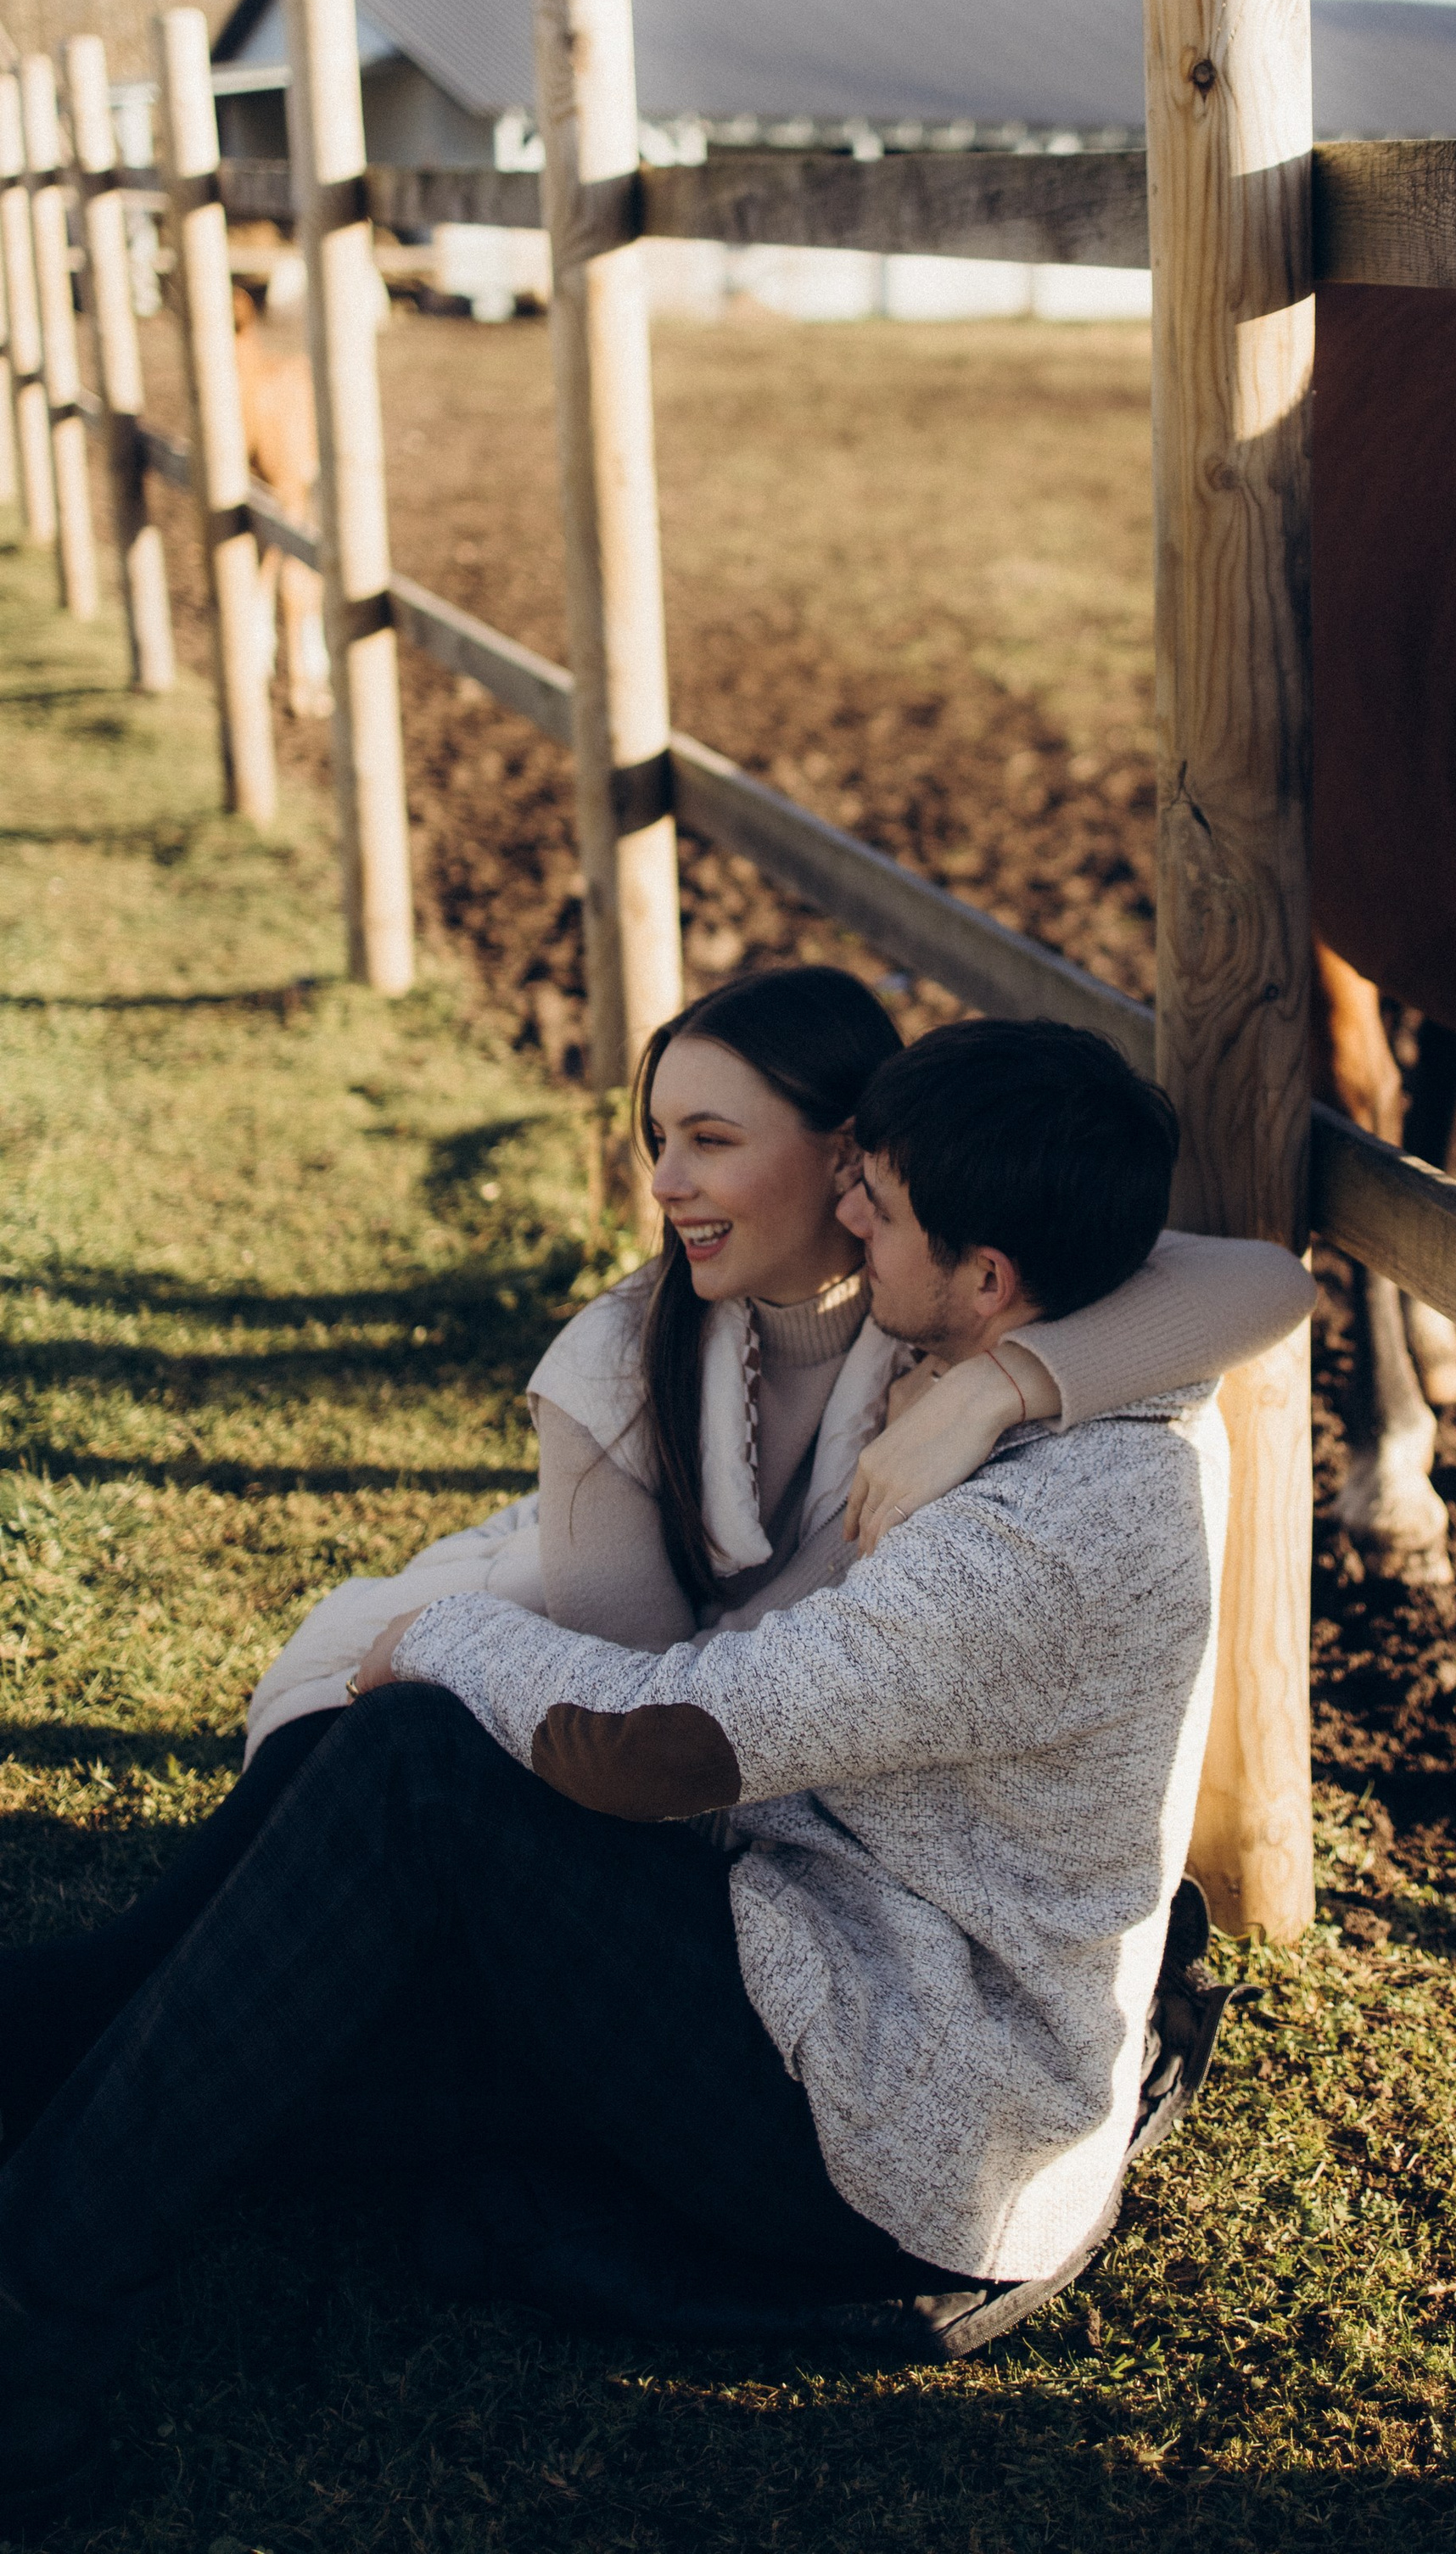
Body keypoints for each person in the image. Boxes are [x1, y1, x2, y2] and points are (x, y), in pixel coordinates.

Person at [0, 1014, 1311, 2512]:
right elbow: (1231, 1281)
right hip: (803, 1933)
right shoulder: (1048, 1336)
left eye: (879, 1201)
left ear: (989, 1279)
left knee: (419, 1760)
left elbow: (662, 1749)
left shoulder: (1033, 1543)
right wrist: (1004, 1379)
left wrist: (446, 1638)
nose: (851, 1211)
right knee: (289, 1928)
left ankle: (40, 2304)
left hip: (891, 2121)